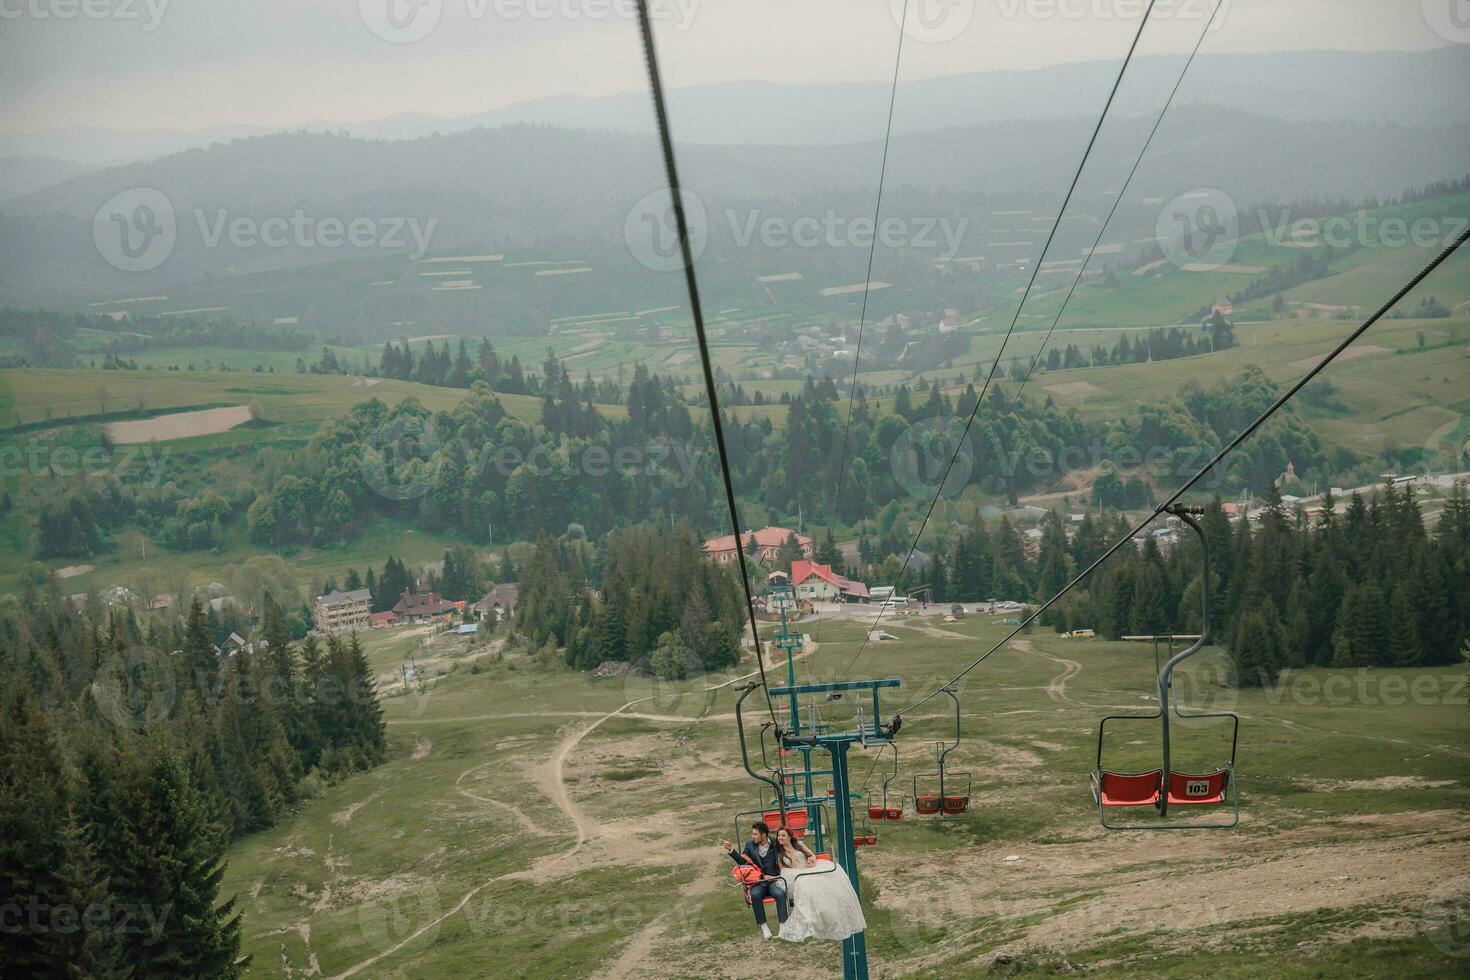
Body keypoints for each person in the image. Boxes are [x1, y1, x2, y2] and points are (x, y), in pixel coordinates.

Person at [771, 825, 866, 943]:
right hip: (796, 875)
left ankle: (832, 912)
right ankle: (815, 918)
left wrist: (811, 862)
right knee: (806, 885)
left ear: (789, 837)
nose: (780, 838)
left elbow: (811, 855)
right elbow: (783, 871)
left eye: (783, 835)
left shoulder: (799, 845)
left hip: (808, 869)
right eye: (779, 836)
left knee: (830, 875)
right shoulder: (780, 854)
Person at [721, 822, 787, 939]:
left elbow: (789, 848)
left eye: (755, 834)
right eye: (753, 834)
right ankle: (764, 927)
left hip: (773, 880)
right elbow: (743, 861)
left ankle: (783, 927)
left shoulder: (775, 844)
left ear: (764, 835)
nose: (753, 837)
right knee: (755, 895)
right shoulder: (750, 846)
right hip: (758, 882)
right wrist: (732, 850)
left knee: (780, 894)